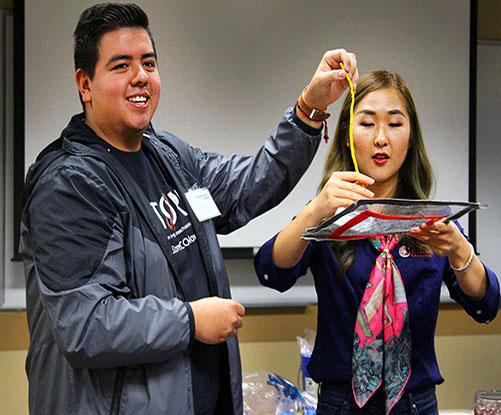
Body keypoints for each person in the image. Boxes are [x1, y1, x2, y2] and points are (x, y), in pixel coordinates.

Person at [19, 3, 358, 415]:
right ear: (85, 84)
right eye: (121, 65)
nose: (140, 76)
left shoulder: (168, 156)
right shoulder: (68, 184)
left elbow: (247, 185)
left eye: (148, 62)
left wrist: (309, 108)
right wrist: (191, 321)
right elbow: (86, 325)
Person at [254, 70, 501, 414]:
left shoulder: (431, 221)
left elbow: (485, 304)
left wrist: (460, 250)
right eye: (367, 124)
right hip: (340, 403)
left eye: (395, 124)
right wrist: (315, 211)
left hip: (415, 403)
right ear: (346, 136)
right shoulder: (329, 218)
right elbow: (271, 271)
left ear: (412, 137)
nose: (381, 138)